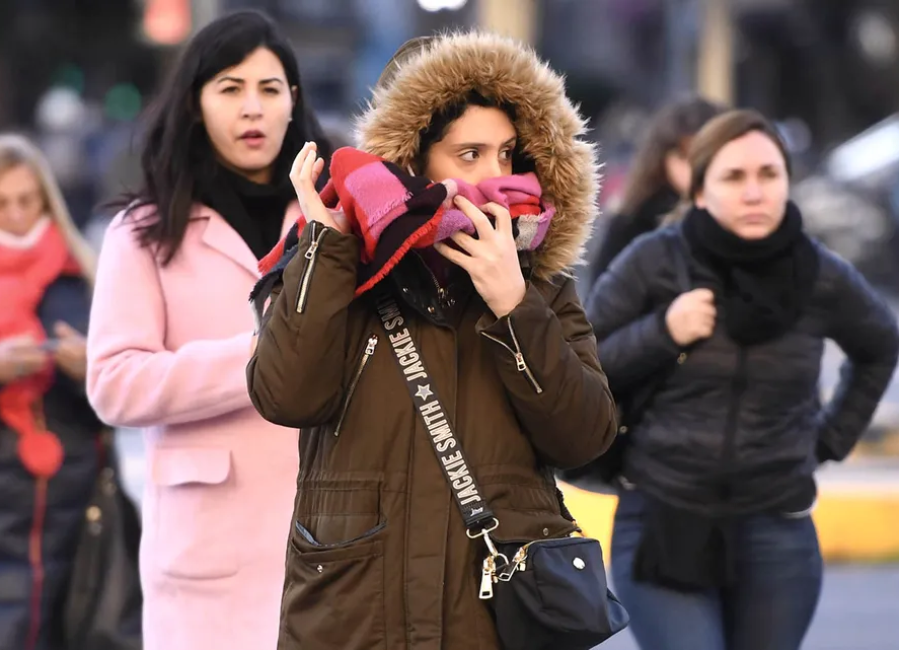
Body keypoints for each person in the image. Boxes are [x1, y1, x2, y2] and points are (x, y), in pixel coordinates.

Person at [246, 32, 618, 650]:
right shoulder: (338, 265)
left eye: (508, 155)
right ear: (411, 162)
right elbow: (285, 396)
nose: (496, 178)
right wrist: (328, 249)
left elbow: (585, 437)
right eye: (468, 154)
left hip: (492, 620)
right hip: (356, 617)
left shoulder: (541, 286)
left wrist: (513, 306)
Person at [586, 109, 899, 650]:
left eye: (769, 175)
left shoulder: (819, 273)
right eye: (734, 177)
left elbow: (879, 344)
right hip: (663, 518)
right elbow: (582, 368)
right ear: (700, 191)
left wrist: (827, 441)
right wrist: (663, 331)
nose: (755, 192)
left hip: (776, 527)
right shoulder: (654, 260)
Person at [85, 11, 332, 650]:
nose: (252, 108)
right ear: (195, 103)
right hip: (208, 552)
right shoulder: (142, 232)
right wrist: (259, 360)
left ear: (293, 101)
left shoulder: (334, 221)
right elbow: (113, 383)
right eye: (230, 88)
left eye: (269, 89)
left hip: (336, 537)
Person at [0, 134, 103, 650]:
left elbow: (123, 395)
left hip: (70, 487)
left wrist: (91, 369)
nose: (17, 215)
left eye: (28, 200)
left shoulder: (81, 275)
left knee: (71, 618)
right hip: (8, 485)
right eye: (3, 203)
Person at [583, 96, 725, 288]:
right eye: (685, 156)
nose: (696, 169)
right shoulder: (633, 223)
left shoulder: (743, 215)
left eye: (706, 156)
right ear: (662, 159)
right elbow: (601, 304)